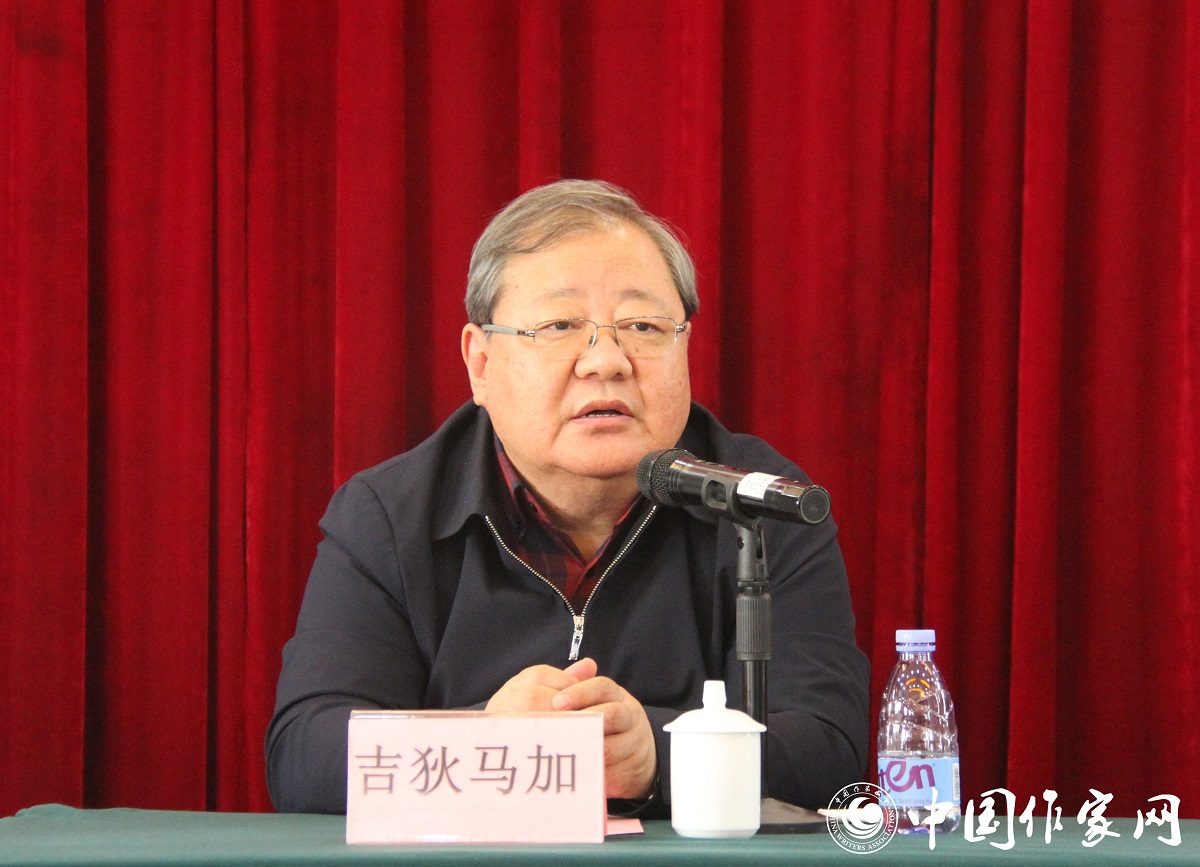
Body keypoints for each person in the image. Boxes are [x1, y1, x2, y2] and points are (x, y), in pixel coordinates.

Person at [266, 179, 870, 816]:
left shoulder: (760, 505)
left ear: (685, 348)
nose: (606, 361)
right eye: (559, 326)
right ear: (480, 363)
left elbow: (830, 749)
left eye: (643, 325)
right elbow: (304, 755)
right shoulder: (389, 515)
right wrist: (482, 742)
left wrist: (660, 756)